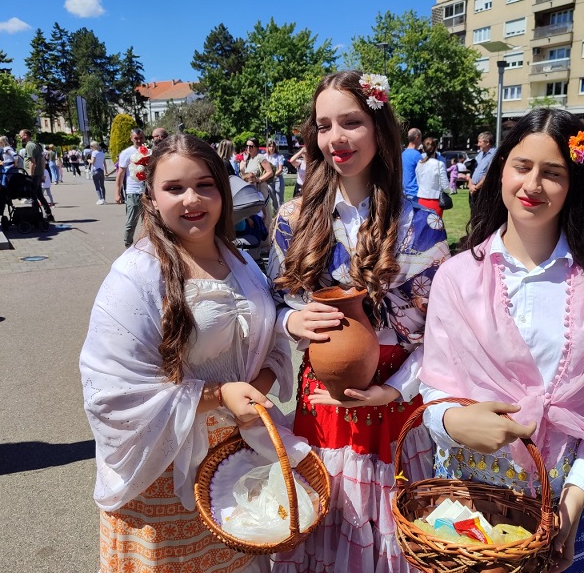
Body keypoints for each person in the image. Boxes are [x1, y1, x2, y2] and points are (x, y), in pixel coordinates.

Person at [419, 109, 584, 573]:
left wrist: (575, 500)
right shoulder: (455, 276)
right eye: (522, 166)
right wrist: (454, 421)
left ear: (575, 184)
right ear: (502, 168)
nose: (532, 185)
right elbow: (434, 386)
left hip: (563, 511)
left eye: (553, 173)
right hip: (464, 511)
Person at [80, 133, 296, 572]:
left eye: (205, 185)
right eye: (174, 188)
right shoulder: (134, 276)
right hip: (164, 462)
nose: (192, 199)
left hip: (236, 459)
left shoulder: (241, 261)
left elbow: (269, 336)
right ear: (152, 198)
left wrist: (254, 391)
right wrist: (218, 396)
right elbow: (111, 391)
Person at [268, 70, 450, 572]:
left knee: (388, 527)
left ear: (378, 128)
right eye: (325, 126)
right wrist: (291, 322)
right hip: (322, 392)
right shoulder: (295, 215)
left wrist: (396, 388)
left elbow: (443, 331)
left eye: (351, 122)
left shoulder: (419, 221)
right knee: (323, 517)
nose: (336, 138)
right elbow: (274, 300)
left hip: (393, 396)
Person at [116, 128, 147, 248]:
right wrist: (117, 193)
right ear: (131, 138)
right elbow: (121, 173)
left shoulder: (148, 152)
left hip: (147, 192)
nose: (139, 140)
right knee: (131, 222)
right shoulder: (126, 153)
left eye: (141, 138)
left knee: (148, 222)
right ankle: (128, 244)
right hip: (133, 192)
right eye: (136, 138)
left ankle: (146, 245)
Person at [19, 129, 55, 222]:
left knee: (33, 195)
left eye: (21, 135)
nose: (20, 137)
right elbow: (42, 160)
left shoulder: (29, 146)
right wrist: (42, 174)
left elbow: (32, 162)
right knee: (39, 195)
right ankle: (49, 214)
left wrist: (30, 174)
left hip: (33, 175)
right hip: (38, 174)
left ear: (26, 135)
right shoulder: (36, 144)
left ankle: (36, 216)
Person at [240, 137, 274, 236]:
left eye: (251, 146)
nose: (248, 148)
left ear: (256, 147)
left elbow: (270, 172)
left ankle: (268, 243)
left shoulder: (260, 157)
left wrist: (259, 180)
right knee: (255, 216)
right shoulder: (248, 159)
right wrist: (242, 168)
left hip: (261, 190)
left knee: (265, 216)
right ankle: (259, 240)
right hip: (251, 191)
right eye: (247, 146)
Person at [415, 137, 450, 217]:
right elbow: (445, 186)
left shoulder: (419, 164)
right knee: (435, 227)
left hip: (421, 200)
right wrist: (447, 191)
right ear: (435, 148)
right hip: (435, 200)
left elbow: (419, 182)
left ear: (424, 149)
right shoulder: (439, 164)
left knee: (423, 227)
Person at [468, 131, 496, 209]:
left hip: (484, 191)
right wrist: (470, 185)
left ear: (487, 143)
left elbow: (489, 175)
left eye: (480, 142)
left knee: (483, 214)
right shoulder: (480, 154)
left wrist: (476, 188)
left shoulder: (494, 155)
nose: (478, 144)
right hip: (473, 190)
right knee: (474, 214)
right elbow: (473, 170)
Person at [401, 127, 422, 201]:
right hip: (414, 193)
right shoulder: (417, 155)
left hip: (403, 192)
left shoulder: (403, 154)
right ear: (417, 137)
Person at [265, 139, 285, 212]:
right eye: (270, 146)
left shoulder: (279, 157)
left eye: (273, 146)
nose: (272, 148)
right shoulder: (265, 157)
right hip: (269, 181)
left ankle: (282, 213)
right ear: (267, 147)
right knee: (273, 198)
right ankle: (276, 212)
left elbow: (280, 169)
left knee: (279, 197)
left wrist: (272, 175)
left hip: (278, 179)